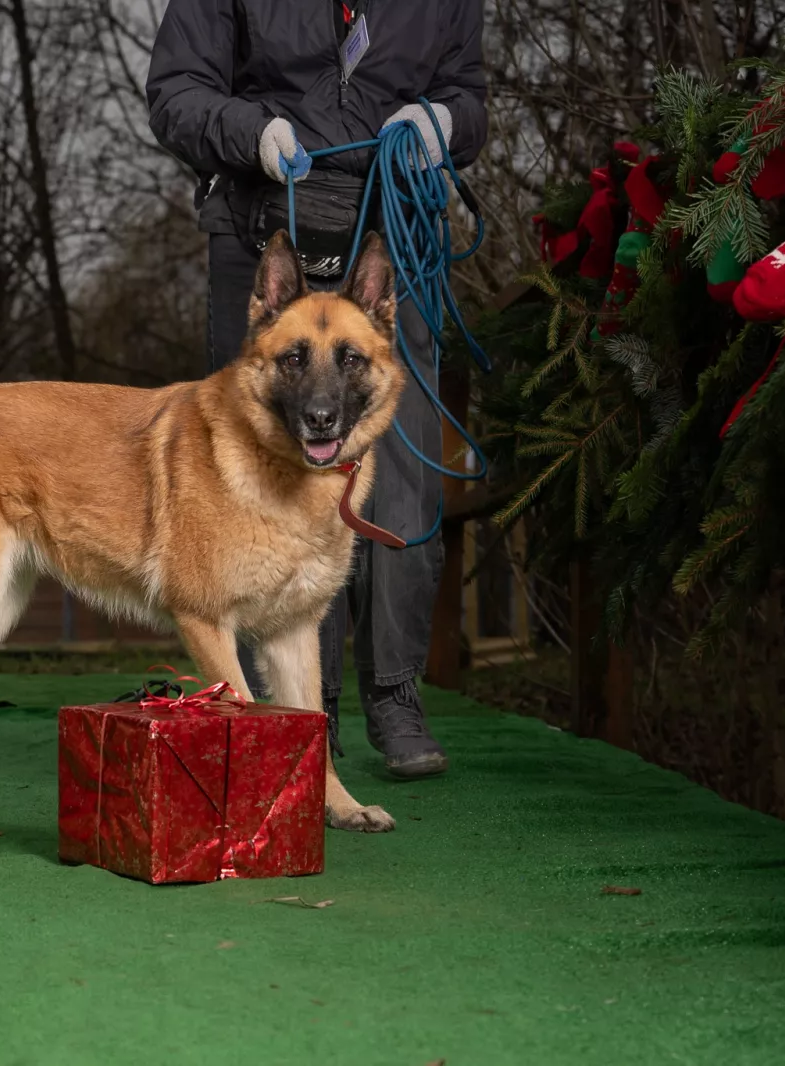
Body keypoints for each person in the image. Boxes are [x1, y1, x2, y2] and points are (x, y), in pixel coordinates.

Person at [146, 0, 488, 779]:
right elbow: (176, 91)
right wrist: (252, 133)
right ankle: (304, 712)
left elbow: (469, 99)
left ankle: (395, 691)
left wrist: (444, 122)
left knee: (402, 480)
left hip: (396, 236)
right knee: (260, 486)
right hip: (264, 225)